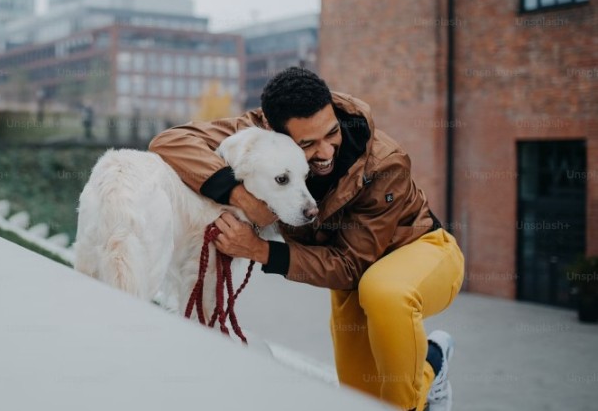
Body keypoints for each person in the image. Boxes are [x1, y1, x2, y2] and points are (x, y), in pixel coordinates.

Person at [149, 67, 464, 411]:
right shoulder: (259, 135)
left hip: (425, 251)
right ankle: (434, 363)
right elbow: (170, 142)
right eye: (308, 144)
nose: (326, 152)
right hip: (353, 283)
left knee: (383, 292)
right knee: (360, 399)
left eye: (331, 133)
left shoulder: (384, 163)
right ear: (275, 132)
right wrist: (241, 197)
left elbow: (351, 265)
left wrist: (262, 251)